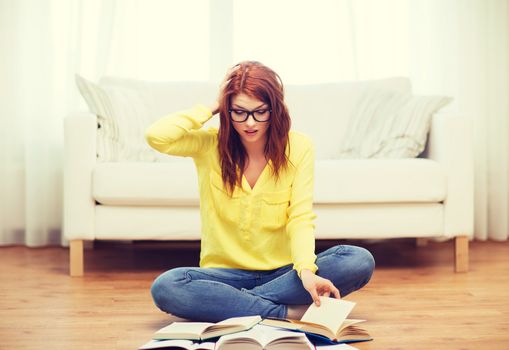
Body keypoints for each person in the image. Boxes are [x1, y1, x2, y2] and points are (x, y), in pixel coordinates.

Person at [145, 61, 375, 323]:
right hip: (223, 274)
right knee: (166, 286)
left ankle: (230, 303)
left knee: (357, 260)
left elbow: (300, 217)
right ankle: (284, 313)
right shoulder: (209, 145)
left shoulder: (298, 147)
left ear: (274, 109)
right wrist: (214, 106)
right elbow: (157, 136)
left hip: (284, 274)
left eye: (260, 112)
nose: (250, 122)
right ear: (227, 110)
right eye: (239, 112)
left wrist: (307, 272)